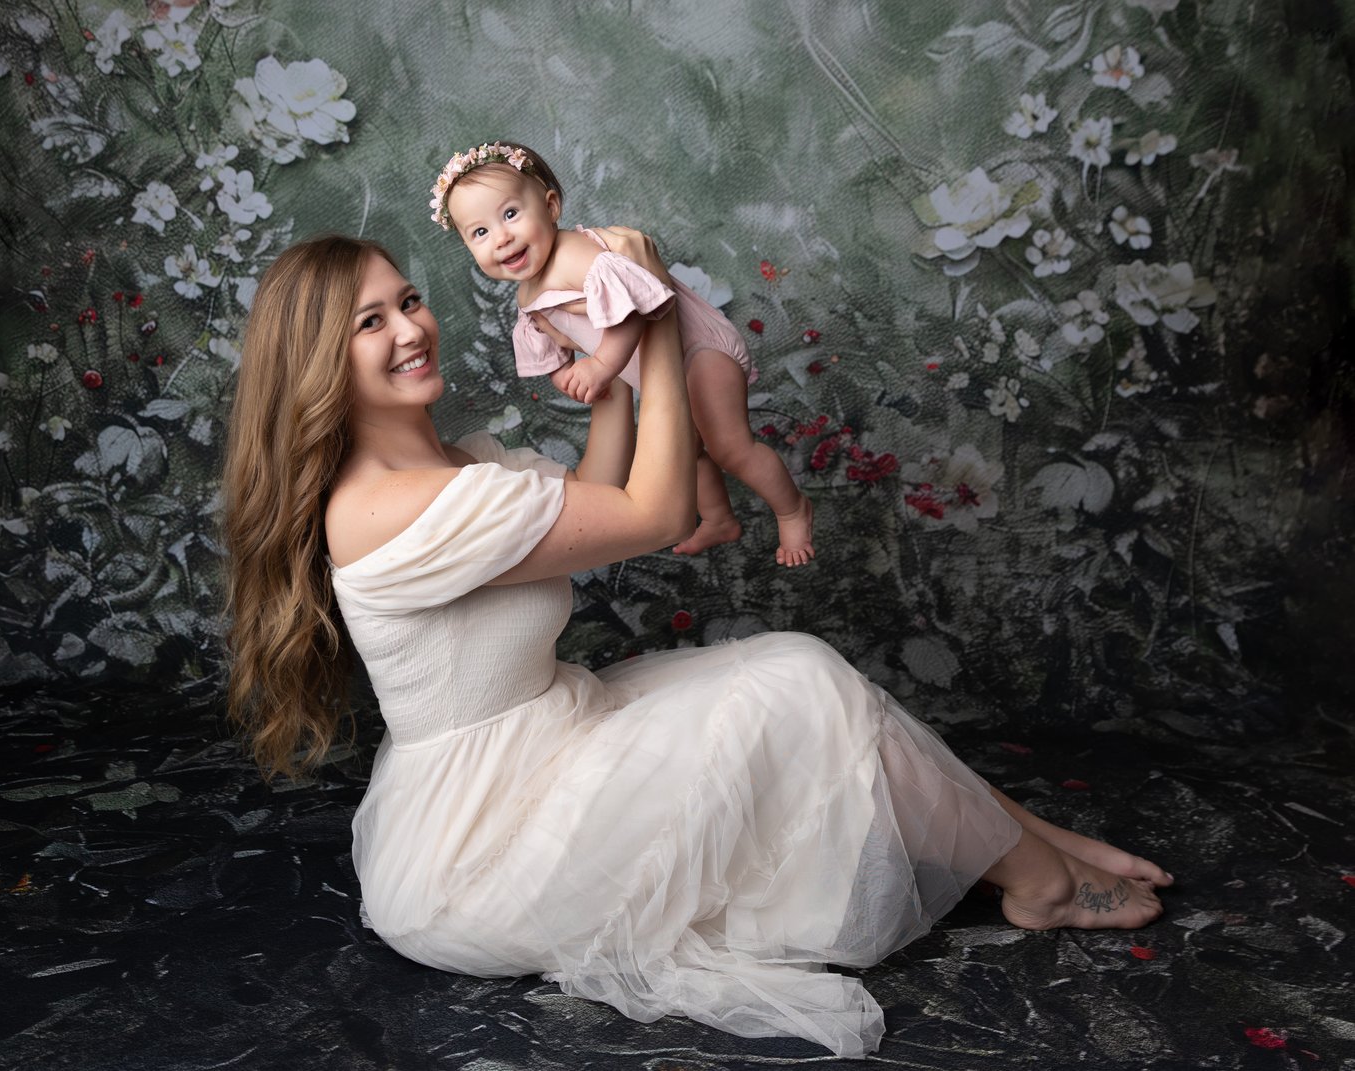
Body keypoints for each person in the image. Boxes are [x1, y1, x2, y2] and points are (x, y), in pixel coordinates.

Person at [220, 232, 1173, 1059]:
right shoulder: (390, 506)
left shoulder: (457, 465)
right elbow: (653, 513)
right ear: (319, 365)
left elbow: (595, 501)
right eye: (370, 323)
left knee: (783, 668)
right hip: (479, 853)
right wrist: (655, 323)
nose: (411, 329)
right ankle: (1040, 880)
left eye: (409, 301)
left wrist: (605, 375)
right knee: (798, 682)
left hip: (548, 745)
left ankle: (1032, 843)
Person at [432, 140, 815, 566]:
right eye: (480, 232)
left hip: (699, 351)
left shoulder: (575, 256)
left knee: (730, 447)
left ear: (551, 206)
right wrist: (565, 376)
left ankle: (792, 509)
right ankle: (718, 519)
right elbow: (553, 342)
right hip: (662, 370)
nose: (501, 238)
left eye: (510, 214)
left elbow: (631, 309)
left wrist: (600, 365)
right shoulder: (527, 295)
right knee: (685, 449)